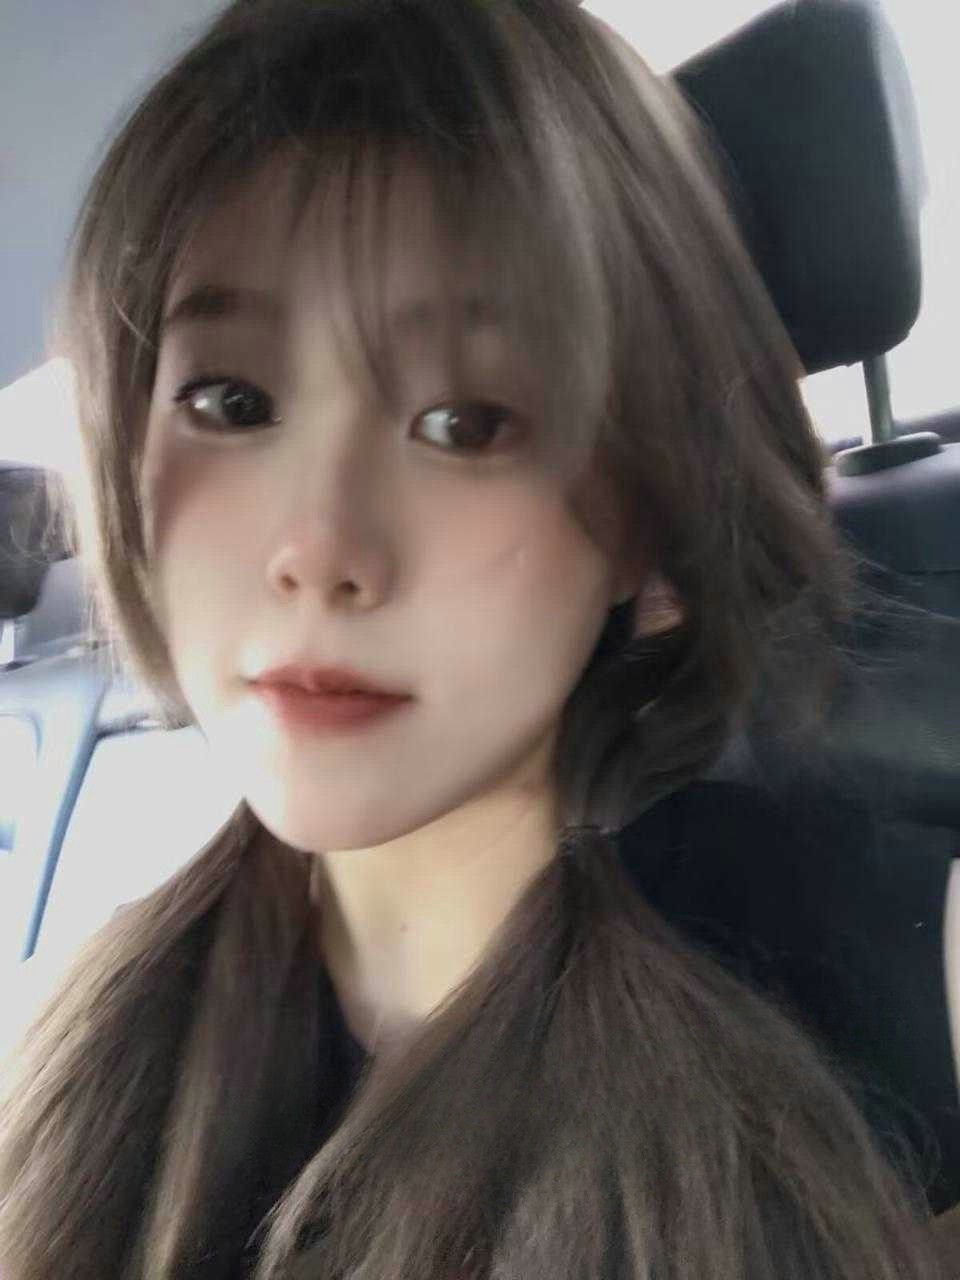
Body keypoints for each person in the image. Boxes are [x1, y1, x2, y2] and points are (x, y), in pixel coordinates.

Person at [0, 1, 950, 1276]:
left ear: (647, 512)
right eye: (231, 400)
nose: (319, 546)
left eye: (466, 424)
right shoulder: (60, 1034)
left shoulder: (889, 971)